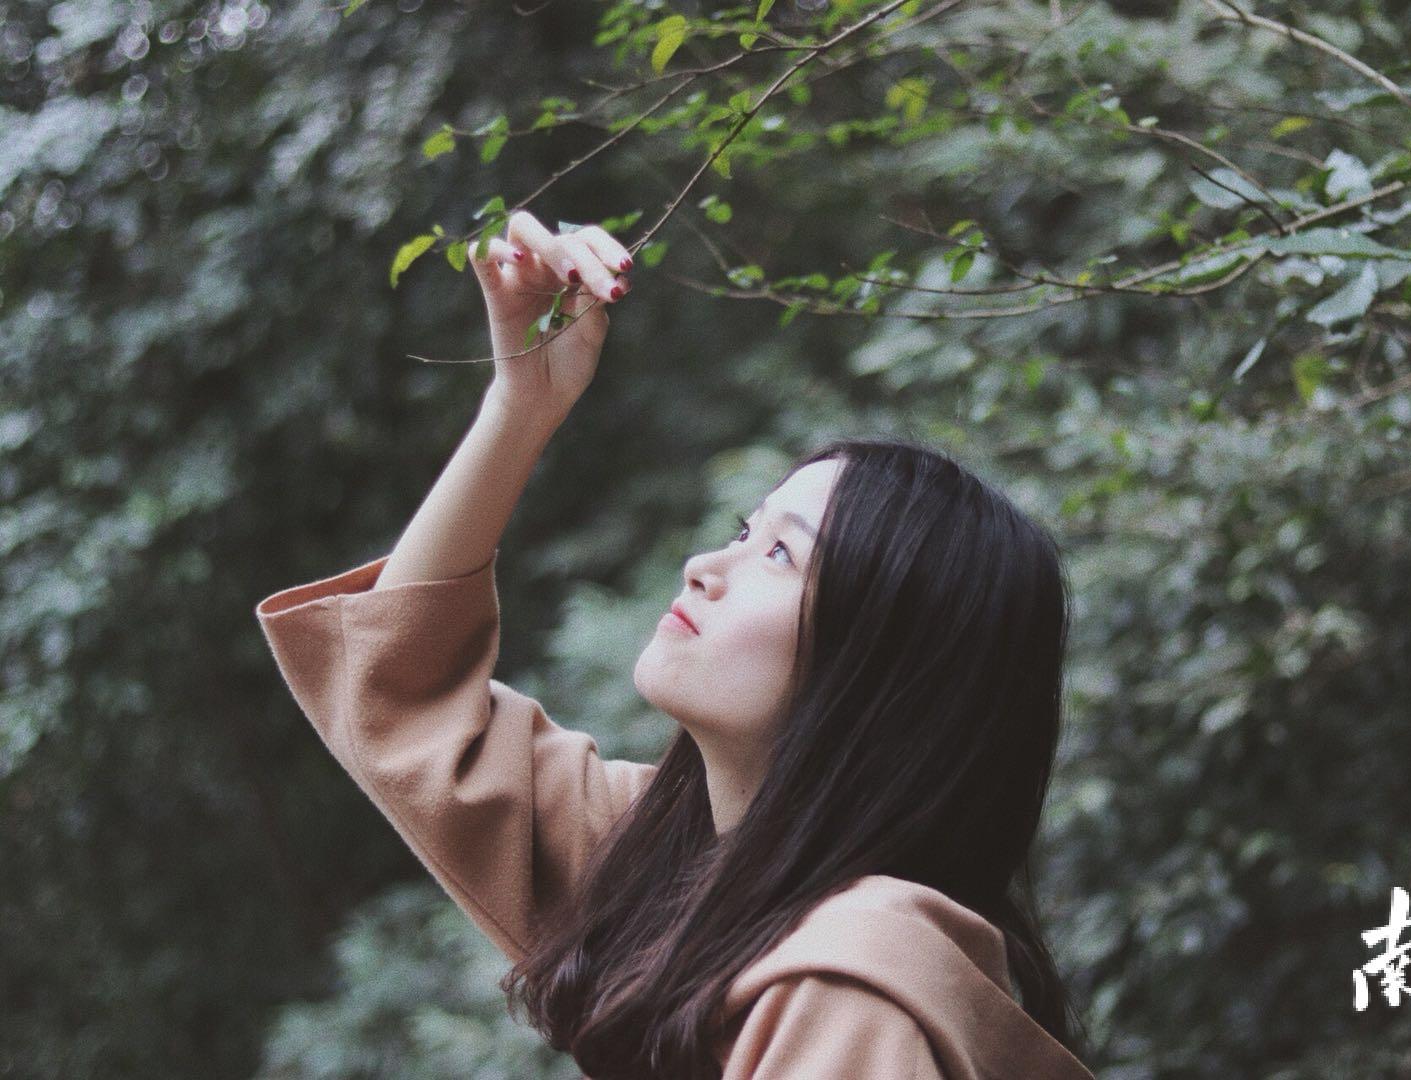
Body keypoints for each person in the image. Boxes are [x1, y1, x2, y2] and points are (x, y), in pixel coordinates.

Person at [255, 210, 1097, 1080]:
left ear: (888, 665)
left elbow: (400, 689)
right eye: (743, 530)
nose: (706, 566)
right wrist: (521, 403)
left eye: (781, 555)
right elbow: (399, 681)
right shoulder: (676, 862)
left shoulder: (849, 984)